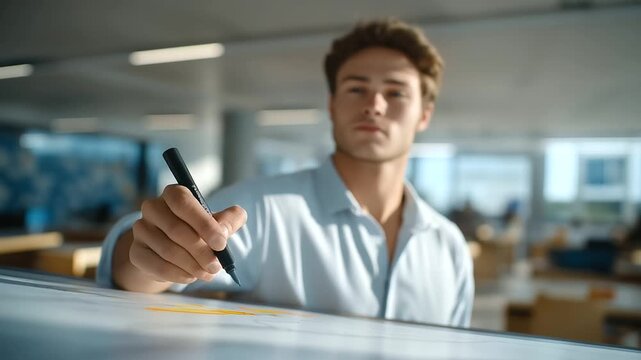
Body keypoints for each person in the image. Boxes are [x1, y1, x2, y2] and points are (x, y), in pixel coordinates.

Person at [97, 18, 474, 327]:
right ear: (331, 105)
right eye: (357, 88)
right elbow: (139, 271)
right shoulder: (262, 210)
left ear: (424, 113)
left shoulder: (450, 247)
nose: (374, 105)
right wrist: (145, 256)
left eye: (396, 93)